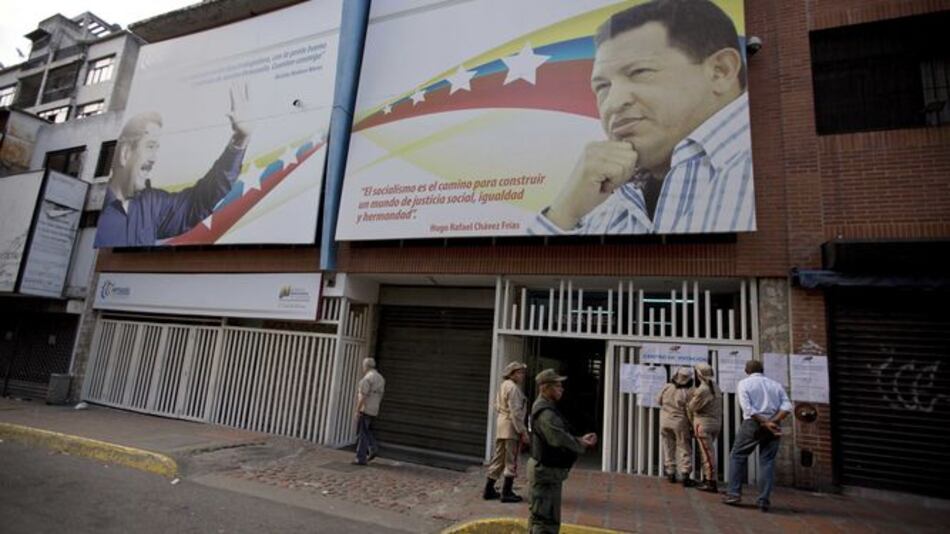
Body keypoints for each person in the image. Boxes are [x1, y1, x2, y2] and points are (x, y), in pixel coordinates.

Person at [534, 0, 754, 235]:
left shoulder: (764, 169)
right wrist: (563, 213)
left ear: (720, 71)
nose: (613, 103)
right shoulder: (601, 196)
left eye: (640, 72)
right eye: (602, 86)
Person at [95, 83, 252, 247]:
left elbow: (200, 201)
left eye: (157, 148)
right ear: (125, 153)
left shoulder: (153, 204)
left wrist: (240, 140)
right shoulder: (101, 209)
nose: (154, 158)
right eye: (150, 146)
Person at [527, 369, 597, 534]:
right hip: (545, 472)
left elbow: (560, 434)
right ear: (546, 388)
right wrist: (581, 444)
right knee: (544, 522)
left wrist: (580, 439)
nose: (562, 389)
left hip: (548, 472)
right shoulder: (545, 413)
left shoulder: (547, 407)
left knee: (543, 518)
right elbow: (558, 439)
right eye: (557, 386)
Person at [723, 359, 792, 512]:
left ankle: (734, 493)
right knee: (767, 461)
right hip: (774, 423)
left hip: (753, 424)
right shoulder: (775, 384)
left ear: (746, 371)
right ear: (762, 370)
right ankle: (763, 500)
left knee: (738, 455)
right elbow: (787, 406)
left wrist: (765, 422)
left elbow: (748, 409)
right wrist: (773, 421)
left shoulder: (744, 383)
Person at [484, 361, 529, 502]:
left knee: (498, 458)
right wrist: (522, 431)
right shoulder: (514, 389)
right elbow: (516, 412)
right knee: (511, 460)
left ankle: (489, 489)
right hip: (511, 428)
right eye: (520, 372)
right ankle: (507, 492)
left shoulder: (504, 386)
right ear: (512, 374)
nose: (522, 375)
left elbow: (497, 405)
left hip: (501, 425)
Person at [657, 366, 695, 486]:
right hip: (680, 422)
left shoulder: (667, 386)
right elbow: (691, 409)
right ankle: (685, 473)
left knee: (668, 446)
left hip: (664, 421)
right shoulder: (688, 392)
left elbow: (658, 400)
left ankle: (670, 472)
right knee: (684, 446)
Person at [688, 362, 723, 492]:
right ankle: (708, 478)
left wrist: (692, 395)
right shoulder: (715, 386)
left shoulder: (703, 390)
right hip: (715, 424)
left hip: (703, 425)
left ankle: (710, 481)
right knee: (708, 452)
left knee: (707, 454)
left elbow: (692, 407)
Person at [353, 357, 385, 466]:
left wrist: (357, 410)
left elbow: (363, 396)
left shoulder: (366, 379)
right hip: (374, 408)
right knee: (367, 430)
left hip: (365, 408)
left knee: (362, 433)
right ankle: (373, 447)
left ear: (365, 366)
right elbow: (380, 395)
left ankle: (361, 458)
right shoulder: (381, 378)